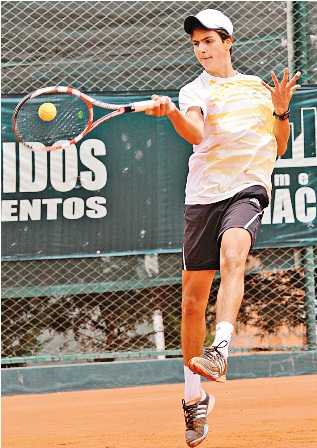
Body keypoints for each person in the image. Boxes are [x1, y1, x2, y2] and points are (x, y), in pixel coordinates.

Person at [145, 8, 301, 447]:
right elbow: (195, 131)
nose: (201, 49)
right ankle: (193, 397)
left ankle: (221, 349)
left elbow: (279, 143)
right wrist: (173, 113)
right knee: (193, 302)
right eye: (195, 44)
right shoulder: (194, 88)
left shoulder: (255, 88)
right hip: (202, 195)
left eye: (208, 41)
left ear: (228, 41)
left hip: (247, 188)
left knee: (235, 254)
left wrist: (281, 110)